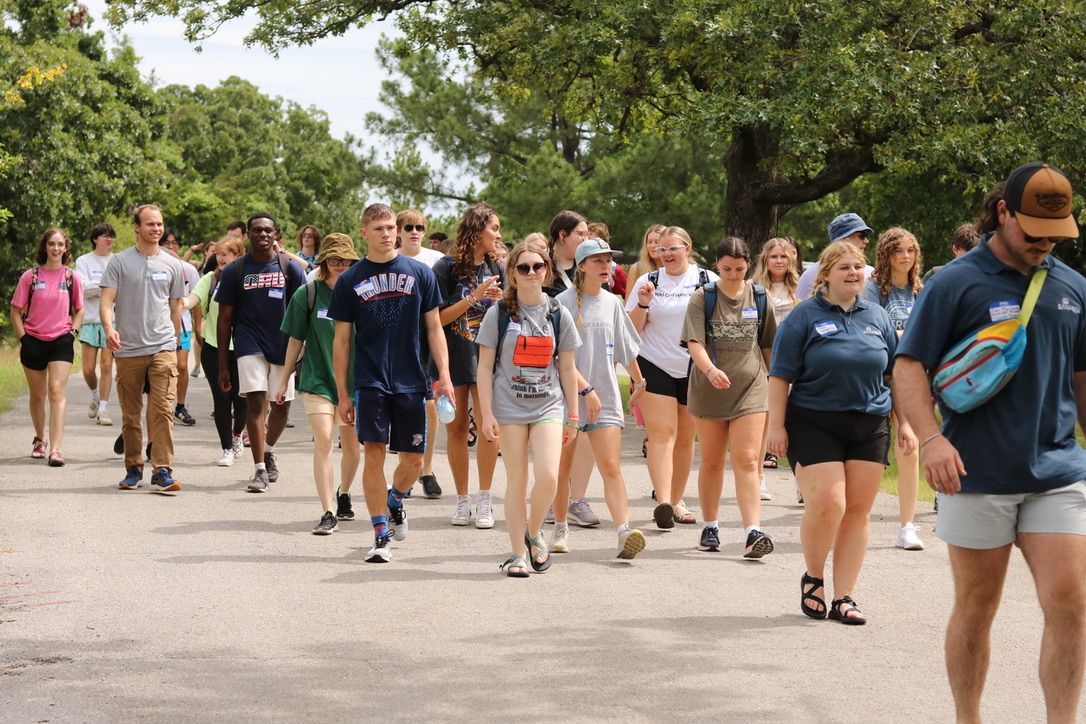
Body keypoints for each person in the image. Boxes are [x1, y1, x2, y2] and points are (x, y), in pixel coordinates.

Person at [893, 163, 1086, 723]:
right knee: (977, 608)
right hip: (973, 472)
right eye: (1032, 232)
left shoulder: (1073, 288)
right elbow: (909, 366)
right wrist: (930, 439)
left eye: (1055, 234)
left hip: (1056, 471)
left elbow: (1082, 383)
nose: (1043, 244)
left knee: (1071, 606)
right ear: (1002, 212)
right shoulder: (956, 282)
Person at [767, 240, 909, 625]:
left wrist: (905, 424)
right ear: (825, 274)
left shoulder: (876, 316)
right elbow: (780, 376)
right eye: (844, 267)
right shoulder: (804, 317)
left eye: (857, 267)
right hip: (814, 421)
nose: (852, 273)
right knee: (830, 502)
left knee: (858, 512)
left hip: (869, 422)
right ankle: (814, 577)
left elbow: (893, 375)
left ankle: (845, 595)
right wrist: (775, 426)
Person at [330, 203, 453, 563]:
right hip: (370, 381)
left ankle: (395, 498)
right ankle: (380, 532)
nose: (387, 234)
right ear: (364, 233)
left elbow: (434, 327)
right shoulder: (350, 280)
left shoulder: (420, 273)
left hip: (412, 379)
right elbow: (341, 341)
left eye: (390, 227)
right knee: (374, 453)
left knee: (413, 462)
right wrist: (342, 393)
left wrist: (443, 376)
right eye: (379, 228)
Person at [476, 242, 581, 577]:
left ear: (547, 271)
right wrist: (487, 413)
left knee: (549, 476)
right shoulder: (500, 313)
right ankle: (517, 553)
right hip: (508, 407)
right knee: (517, 481)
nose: (532, 273)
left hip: (548, 404)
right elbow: (484, 368)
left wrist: (574, 415)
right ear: (513, 274)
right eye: (523, 268)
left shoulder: (557, 313)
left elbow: (567, 367)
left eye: (538, 266)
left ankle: (533, 531)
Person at [551, 238, 647, 558]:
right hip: (569, 398)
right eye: (598, 261)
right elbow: (558, 358)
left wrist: (638, 380)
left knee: (611, 466)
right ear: (581, 266)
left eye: (608, 261)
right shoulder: (561, 304)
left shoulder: (613, 303)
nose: (606, 266)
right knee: (563, 469)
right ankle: (561, 527)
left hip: (604, 397)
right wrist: (585, 389)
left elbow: (626, 348)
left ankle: (624, 531)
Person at [684, 237, 777, 557]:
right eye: (727, 269)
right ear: (716, 266)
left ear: (748, 265)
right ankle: (710, 527)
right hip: (709, 389)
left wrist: (777, 384)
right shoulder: (703, 297)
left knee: (748, 459)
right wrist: (710, 370)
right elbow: (694, 342)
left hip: (751, 387)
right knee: (711, 460)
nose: (734, 274)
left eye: (739, 269)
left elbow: (767, 346)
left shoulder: (760, 296)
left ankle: (753, 531)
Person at [625, 226, 717, 528]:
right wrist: (643, 304)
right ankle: (663, 502)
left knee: (685, 439)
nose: (666, 255)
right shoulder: (647, 281)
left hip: (694, 366)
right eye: (661, 250)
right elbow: (630, 330)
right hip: (655, 363)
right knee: (662, 435)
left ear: (687, 248)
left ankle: (677, 500)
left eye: (672, 248)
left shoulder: (707, 280)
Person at [277, 233, 362, 534]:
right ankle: (327, 511)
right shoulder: (308, 293)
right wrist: (283, 378)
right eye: (335, 260)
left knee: (352, 447)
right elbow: (294, 339)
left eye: (346, 260)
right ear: (323, 261)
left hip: (353, 382)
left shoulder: (360, 294)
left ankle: (344, 493)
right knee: (324, 440)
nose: (341, 265)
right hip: (317, 379)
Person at [216, 213, 307, 492]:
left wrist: (303, 351)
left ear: (276, 234)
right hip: (248, 341)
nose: (263, 235)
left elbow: (304, 311)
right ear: (248, 235)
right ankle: (258, 470)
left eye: (268, 230)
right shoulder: (235, 271)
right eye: (257, 230)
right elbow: (224, 319)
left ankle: (267, 451)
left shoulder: (290, 268)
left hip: (283, 344)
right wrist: (223, 365)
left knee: (281, 406)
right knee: (255, 402)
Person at [100, 205, 186, 493]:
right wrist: (109, 328)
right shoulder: (119, 262)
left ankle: (162, 469)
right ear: (137, 227)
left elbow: (176, 306)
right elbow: (106, 301)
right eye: (150, 224)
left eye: (159, 224)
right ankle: (133, 467)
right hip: (128, 348)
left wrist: (174, 342)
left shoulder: (172, 264)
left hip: (163, 346)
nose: (156, 229)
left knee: (163, 410)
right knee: (131, 413)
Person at [432, 203, 505, 527]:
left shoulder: (497, 268)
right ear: (477, 231)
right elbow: (437, 319)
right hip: (454, 356)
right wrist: (474, 297)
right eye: (494, 228)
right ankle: (462, 502)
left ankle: (485, 499)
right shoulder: (445, 268)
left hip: (489, 358)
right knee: (457, 428)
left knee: (490, 428)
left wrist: (504, 302)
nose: (499, 234)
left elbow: (508, 318)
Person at [863, 227, 925, 551]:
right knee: (868, 454)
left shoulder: (918, 290)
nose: (905, 257)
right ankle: (853, 518)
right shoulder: (874, 290)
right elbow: (871, 330)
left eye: (910, 251)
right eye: (898, 251)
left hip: (910, 379)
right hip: (878, 376)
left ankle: (907, 526)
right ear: (886, 255)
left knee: (909, 446)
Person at [10, 228, 85, 466]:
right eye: (51, 244)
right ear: (44, 247)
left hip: (61, 340)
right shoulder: (30, 277)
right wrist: (23, 338)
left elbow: (80, 309)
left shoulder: (72, 278)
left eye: (60, 244)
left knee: (56, 391)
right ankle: (40, 439)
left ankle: (56, 449)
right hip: (32, 339)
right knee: (38, 395)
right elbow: (15, 310)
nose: (56, 248)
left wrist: (73, 332)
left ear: (66, 248)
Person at [181, 237, 247, 466]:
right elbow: (194, 298)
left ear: (239, 255)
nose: (221, 258)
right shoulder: (211, 279)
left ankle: (238, 435)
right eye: (218, 253)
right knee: (221, 399)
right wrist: (182, 303)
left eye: (227, 253)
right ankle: (226, 448)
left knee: (242, 401)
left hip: (242, 348)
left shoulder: (246, 279)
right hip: (213, 348)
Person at [399, 209, 447, 498]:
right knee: (404, 407)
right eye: (408, 227)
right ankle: (407, 466)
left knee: (431, 407)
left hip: (428, 337)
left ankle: (427, 469)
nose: (414, 231)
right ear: (399, 231)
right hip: (400, 339)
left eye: (419, 227)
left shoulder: (435, 261)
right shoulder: (391, 259)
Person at [752, 237, 801, 479]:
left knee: (797, 423)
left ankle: (801, 481)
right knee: (765, 422)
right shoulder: (755, 288)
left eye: (783, 256)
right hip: (763, 359)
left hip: (794, 359)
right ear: (765, 260)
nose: (779, 260)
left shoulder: (800, 288)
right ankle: (759, 477)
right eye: (774, 256)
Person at [75, 222, 116, 427]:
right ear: (95, 239)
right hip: (90, 320)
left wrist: (100, 288)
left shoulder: (116, 261)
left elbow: (120, 289)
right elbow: (81, 288)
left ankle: (103, 408)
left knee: (107, 365)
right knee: (89, 369)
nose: (108, 239)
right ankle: (94, 394)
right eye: (104, 235)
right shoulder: (83, 261)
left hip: (112, 320)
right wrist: (107, 287)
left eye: (111, 236)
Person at [159, 230, 201, 426]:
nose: (170, 246)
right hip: (158, 325)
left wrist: (198, 326)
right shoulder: (154, 266)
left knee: (181, 366)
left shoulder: (188, 269)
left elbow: (197, 297)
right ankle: (162, 405)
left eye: (174, 242)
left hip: (182, 324)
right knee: (164, 368)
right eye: (166, 243)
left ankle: (180, 405)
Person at [796, 213, 875, 300]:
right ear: (843, 239)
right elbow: (802, 310)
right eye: (862, 236)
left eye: (857, 267)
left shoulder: (871, 272)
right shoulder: (811, 274)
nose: (867, 241)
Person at [543, 210, 589, 297]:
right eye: (580, 234)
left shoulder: (590, 267)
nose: (586, 240)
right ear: (562, 235)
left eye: (586, 235)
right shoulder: (539, 269)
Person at [586, 221, 628, 297]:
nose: (590, 244)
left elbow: (628, 299)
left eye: (594, 241)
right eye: (587, 240)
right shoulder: (578, 266)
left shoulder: (617, 271)